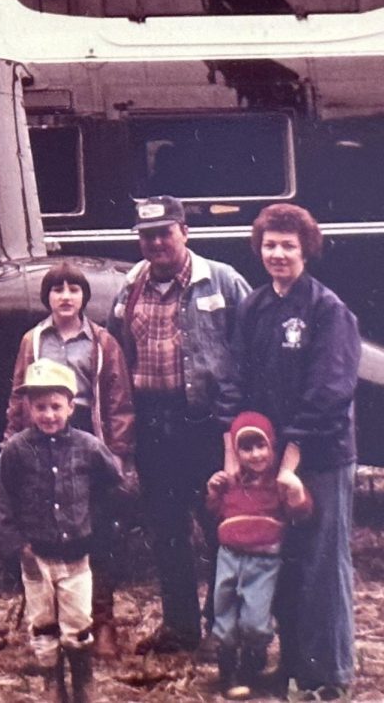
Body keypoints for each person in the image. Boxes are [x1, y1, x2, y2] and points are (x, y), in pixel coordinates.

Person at [216, 203, 361, 698]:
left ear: (307, 251)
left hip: (318, 458)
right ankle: (295, 667)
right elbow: (235, 384)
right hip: (267, 459)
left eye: (288, 246)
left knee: (321, 564)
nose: (277, 254)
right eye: (270, 245)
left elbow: (328, 394)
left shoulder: (328, 310)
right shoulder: (254, 307)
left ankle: (330, 676)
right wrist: (236, 457)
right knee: (281, 563)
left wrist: (291, 466)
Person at [107, 195, 251, 654]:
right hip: (153, 425)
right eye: (147, 236)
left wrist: (237, 421)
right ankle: (181, 628)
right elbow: (116, 357)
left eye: (164, 233)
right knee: (165, 528)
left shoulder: (222, 281)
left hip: (207, 426)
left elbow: (248, 353)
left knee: (219, 526)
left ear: (184, 232)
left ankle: (222, 627)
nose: (155, 243)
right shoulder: (130, 287)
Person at [3, 261, 137, 658]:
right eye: (57, 289)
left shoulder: (101, 342)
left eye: (73, 289)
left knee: (98, 533)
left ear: (84, 297)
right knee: (49, 530)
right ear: (47, 297)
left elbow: (119, 401)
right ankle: (52, 624)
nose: (65, 296)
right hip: (43, 444)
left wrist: (118, 455)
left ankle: (102, 618)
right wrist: (12, 439)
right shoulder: (33, 340)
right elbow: (17, 395)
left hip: (88, 445)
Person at [0, 359, 125, 703]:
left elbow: (115, 485)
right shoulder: (16, 450)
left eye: (56, 406)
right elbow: (3, 501)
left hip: (77, 554)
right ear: (28, 408)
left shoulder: (89, 446)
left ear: (71, 405)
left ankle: (82, 680)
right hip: (35, 554)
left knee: (77, 620)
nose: (48, 415)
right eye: (40, 407)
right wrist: (16, 544)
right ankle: (52, 680)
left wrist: (98, 525)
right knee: (43, 620)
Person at [206, 411, 313, 700]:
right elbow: (215, 511)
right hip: (229, 559)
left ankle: (254, 658)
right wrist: (213, 491)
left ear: (272, 447)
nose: (255, 455)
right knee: (224, 615)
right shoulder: (231, 482)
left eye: (261, 446)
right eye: (247, 448)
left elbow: (300, 512)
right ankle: (229, 675)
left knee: (255, 620)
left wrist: (297, 491)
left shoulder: (278, 484)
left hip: (263, 562)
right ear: (237, 452)